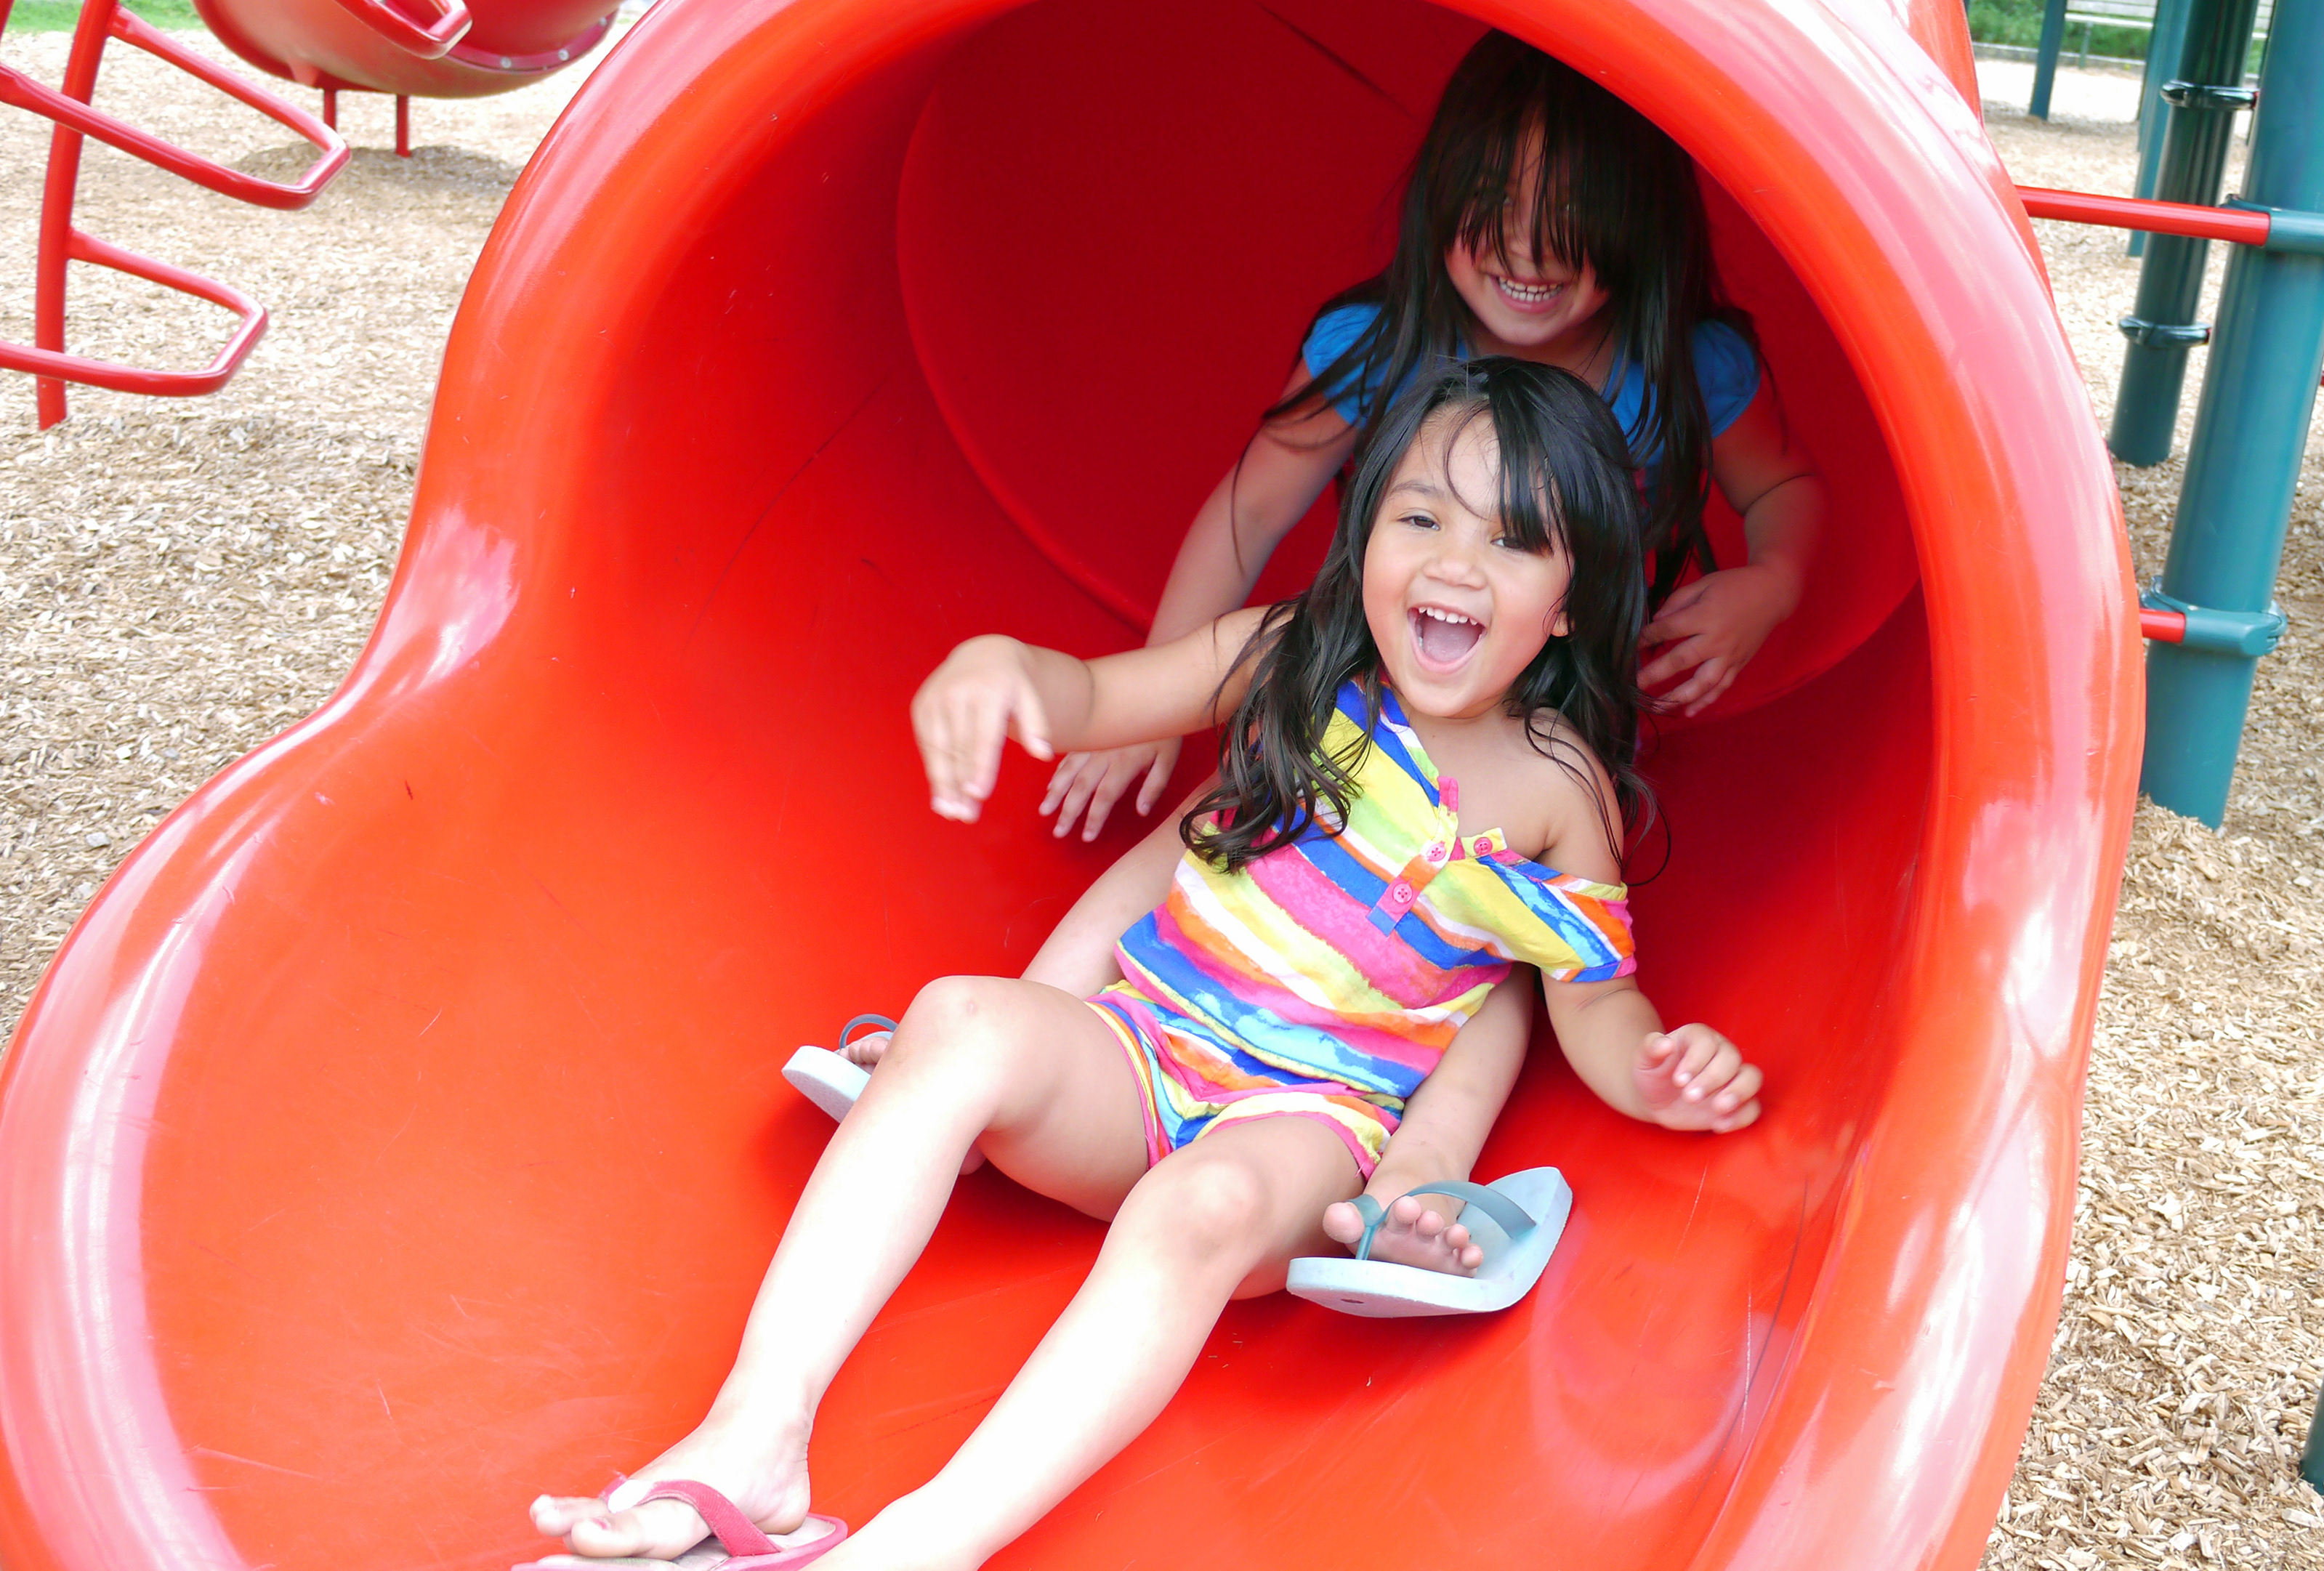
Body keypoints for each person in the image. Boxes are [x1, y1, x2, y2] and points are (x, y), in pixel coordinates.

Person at [526, 360, 1765, 1571]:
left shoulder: (1557, 791)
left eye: (1511, 541)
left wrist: (1654, 1072)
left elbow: (1590, 999)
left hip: (1306, 1124)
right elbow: (1098, 695)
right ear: (1365, 535)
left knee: (1197, 1207)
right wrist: (1009, 669)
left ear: (1568, 600)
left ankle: (928, 1541)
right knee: (956, 1017)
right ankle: (755, 1435)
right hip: (1138, 1049)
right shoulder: (1293, 656)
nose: (1452, 561)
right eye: (1420, 516)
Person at [1036, 28, 1825, 844]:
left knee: (1478, 907)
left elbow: (1781, 488)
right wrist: (1154, 706)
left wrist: (1772, 582)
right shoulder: (1379, 344)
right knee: (1232, 812)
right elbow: (1251, 511)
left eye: (1571, 213)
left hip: (1547, 728)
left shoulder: (1684, 366)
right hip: (1367, 685)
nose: (1526, 246)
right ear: (1441, 193)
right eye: (1492, 199)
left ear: (1643, 222)